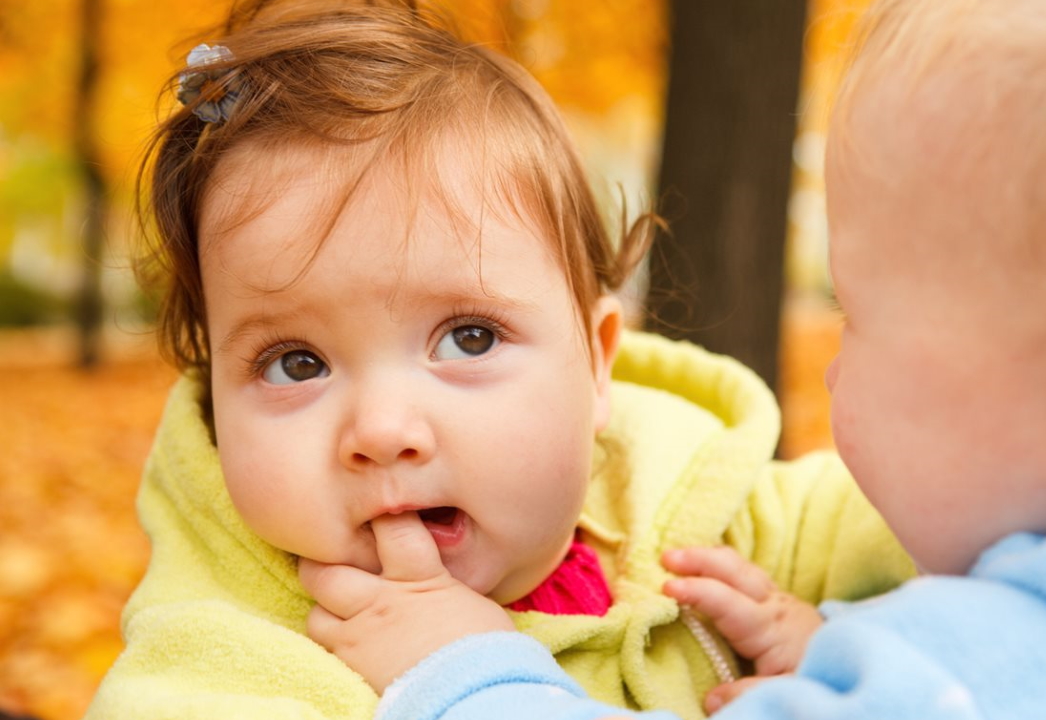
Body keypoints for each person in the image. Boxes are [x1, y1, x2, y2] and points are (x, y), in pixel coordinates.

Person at [299, 0, 1046, 717]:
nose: (833, 368)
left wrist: (467, 674)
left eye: (858, 315)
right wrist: (845, 656)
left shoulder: (960, 681)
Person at [83, 1, 913, 718]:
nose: (382, 431)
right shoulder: (230, 662)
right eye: (296, 363)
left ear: (596, 367)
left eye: (468, 337)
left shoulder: (714, 520)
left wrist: (852, 657)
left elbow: (986, 514)